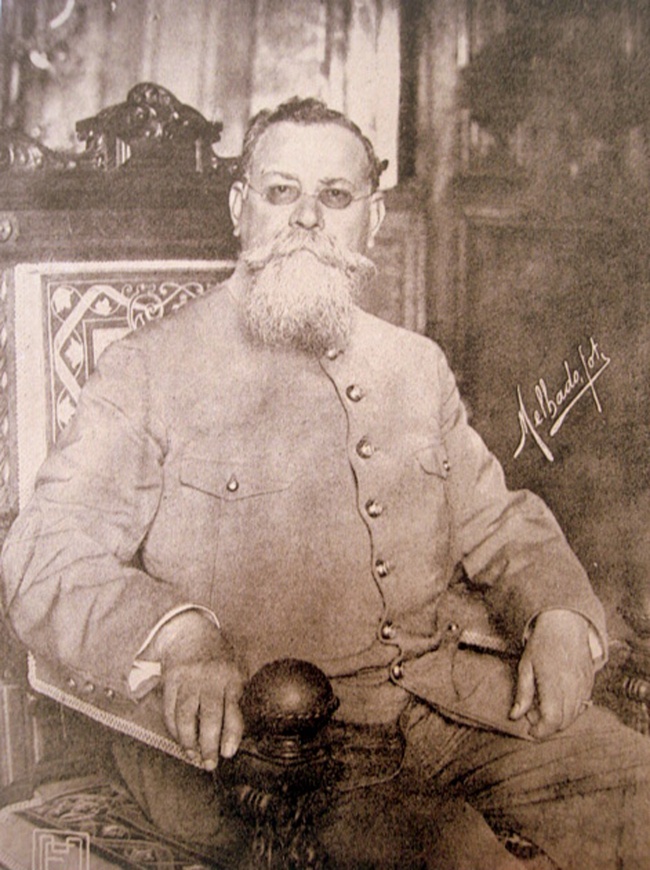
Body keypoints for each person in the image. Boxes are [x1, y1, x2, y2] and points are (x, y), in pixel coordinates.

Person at [1, 97, 649, 868]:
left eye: (335, 196)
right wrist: (182, 637)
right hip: (265, 752)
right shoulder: (150, 367)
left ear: (370, 220)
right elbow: (45, 553)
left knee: (637, 795)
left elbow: (499, 521)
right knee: (463, 860)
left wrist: (560, 615)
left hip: (450, 705)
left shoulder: (415, 364)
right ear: (241, 208)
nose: (306, 218)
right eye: (281, 191)